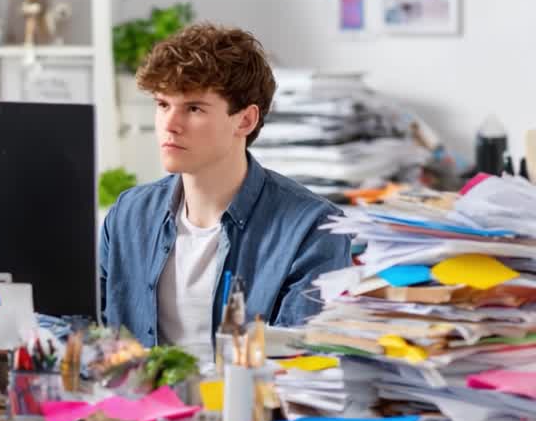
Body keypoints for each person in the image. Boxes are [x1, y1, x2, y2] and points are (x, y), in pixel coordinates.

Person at [99, 23, 351, 359]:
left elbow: (302, 368)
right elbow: (86, 333)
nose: (169, 124)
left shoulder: (314, 228)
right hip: (135, 406)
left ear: (245, 121)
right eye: (162, 104)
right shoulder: (129, 214)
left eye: (194, 108)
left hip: (249, 409)